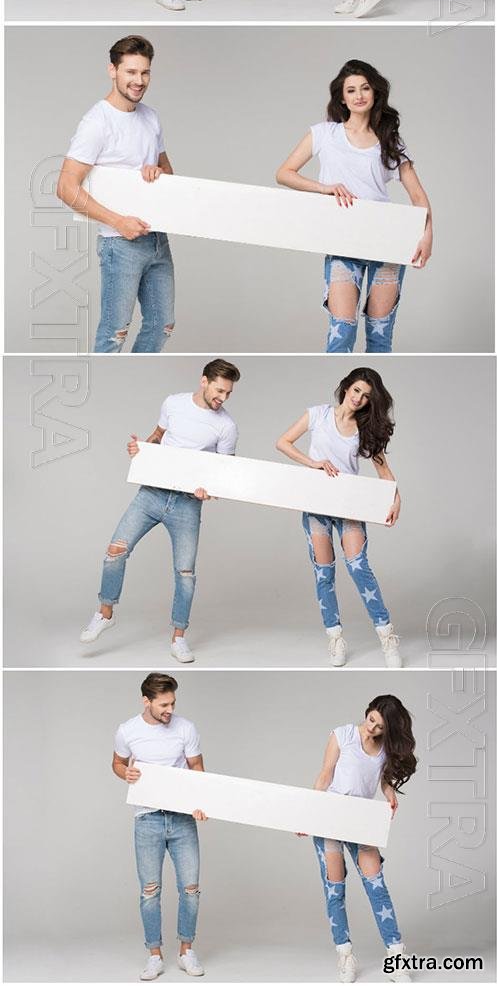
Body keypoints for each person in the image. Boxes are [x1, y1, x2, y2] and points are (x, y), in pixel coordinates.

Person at [81, 360, 240, 662]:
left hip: (186, 504)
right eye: (220, 390)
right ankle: (105, 613)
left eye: (229, 393)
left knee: (185, 573)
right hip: (151, 495)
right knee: (115, 551)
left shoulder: (226, 425)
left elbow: (224, 473)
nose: (223, 398)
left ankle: (179, 637)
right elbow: (156, 436)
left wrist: (210, 491)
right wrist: (141, 447)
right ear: (204, 381)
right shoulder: (173, 403)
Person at [276, 55, 432, 355]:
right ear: (342, 98)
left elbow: (418, 196)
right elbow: (284, 173)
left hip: (387, 243)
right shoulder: (324, 134)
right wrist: (325, 188)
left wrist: (427, 234)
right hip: (342, 241)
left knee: (380, 338)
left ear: (375, 93)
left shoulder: (390, 140)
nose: (359, 95)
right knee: (341, 336)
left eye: (365, 88)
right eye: (351, 90)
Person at [56, 33, 175, 353]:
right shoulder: (97, 122)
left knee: (162, 325)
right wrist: (118, 221)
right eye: (131, 72)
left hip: (157, 238)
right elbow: (66, 187)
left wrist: (157, 173)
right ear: (113, 71)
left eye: (145, 72)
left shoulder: (151, 117)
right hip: (120, 244)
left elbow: (169, 173)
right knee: (114, 332)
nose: (139, 81)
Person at [277, 368, 402, 666]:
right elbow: (283, 442)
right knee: (324, 574)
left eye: (366, 396)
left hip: (349, 506)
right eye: (356, 390)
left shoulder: (365, 428)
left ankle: (387, 638)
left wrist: (396, 498)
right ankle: (335, 638)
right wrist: (314, 463)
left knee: (358, 567)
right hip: (317, 505)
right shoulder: (318, 415)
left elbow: (384, 472)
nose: (359, 399)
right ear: (346, 387)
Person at [309, 696, 416, 982]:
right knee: (335, 889)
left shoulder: (383, 749)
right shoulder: (342, 735)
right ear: (367, 711)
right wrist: (306, 815)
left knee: (377, 887)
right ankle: (345, 955)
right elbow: (325, 775)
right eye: (372, 721)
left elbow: (382, 779)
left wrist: (391, 794)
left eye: (380, 728)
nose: (373, 729)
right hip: (330, 818)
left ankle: (396, 955)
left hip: (361, 822)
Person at [112, 670, 206, 981]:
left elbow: (197, 769)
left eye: (173, 704)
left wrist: (202, 802)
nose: (170, 710)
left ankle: (186, 952)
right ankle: (154, 955)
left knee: (190, 889)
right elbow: (117, 762)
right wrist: (124, 773)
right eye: (164, 704)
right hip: (147, 820)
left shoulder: (186, 728)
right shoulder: (127, 730)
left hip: (182, 819)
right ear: (147, 701)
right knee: (150, 892)